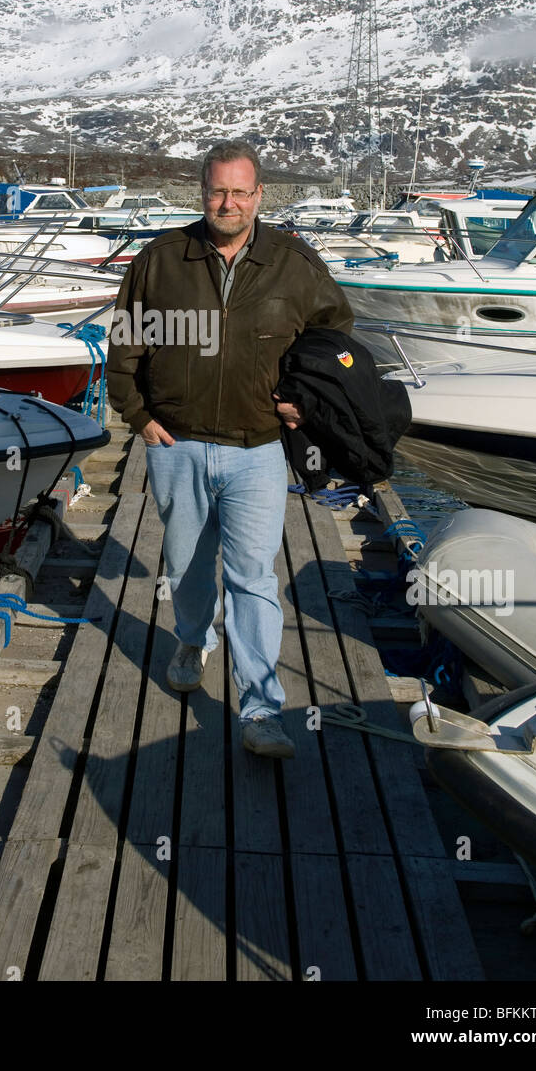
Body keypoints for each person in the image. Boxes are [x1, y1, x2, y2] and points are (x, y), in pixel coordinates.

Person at [105, 144, 354, 758]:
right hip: (177, 444)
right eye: (218, 192)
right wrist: (137, 416)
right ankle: (193, 640)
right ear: (202, 192)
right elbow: (125, 341)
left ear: (260, 195)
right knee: (188, 565)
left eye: (241, 193)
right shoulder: (162, 259)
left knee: (253, 578)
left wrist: (305, 401)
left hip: (258, 449)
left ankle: (261, 709)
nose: (229, 204)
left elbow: (334, 338)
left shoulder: (294, 263)